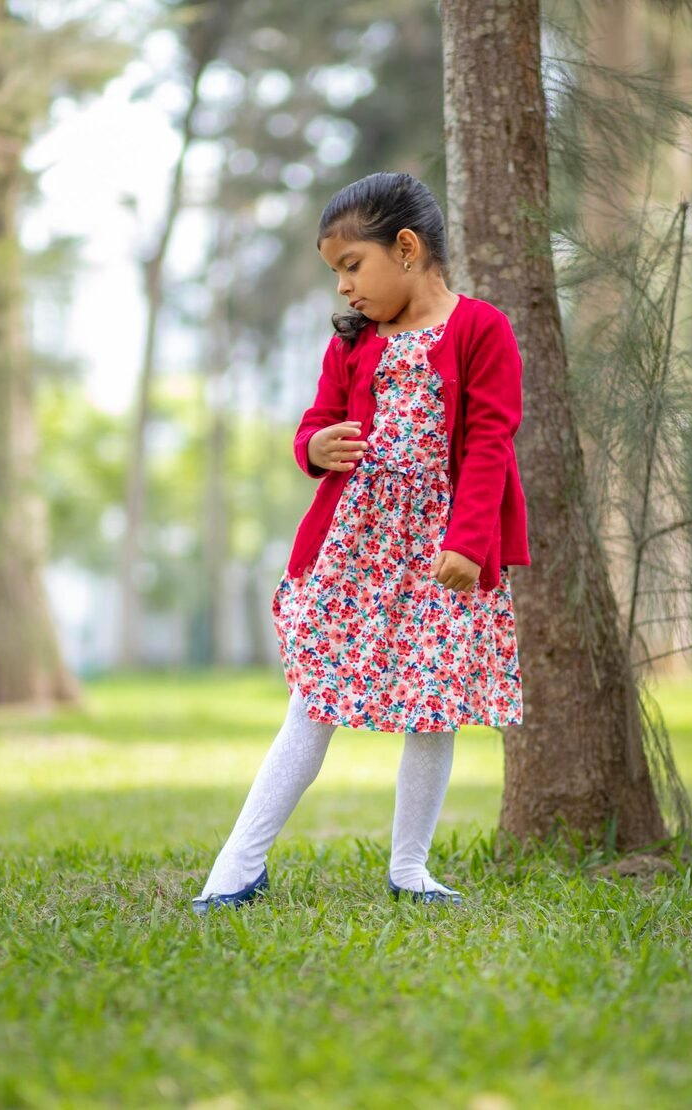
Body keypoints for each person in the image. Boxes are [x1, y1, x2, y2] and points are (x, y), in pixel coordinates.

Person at [192, 171, 531, 914]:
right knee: (313, 701)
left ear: (406, 248)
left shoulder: (481, 330)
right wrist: (314, 449)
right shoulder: (352, 342)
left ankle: (411, 868)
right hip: (356, 552)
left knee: (431, 706)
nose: (344, 288)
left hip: (443, 555)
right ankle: (236, 867)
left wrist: (469, 543)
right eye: (336, 272)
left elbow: (490, 443)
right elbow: (313, 424)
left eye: (352, 266)